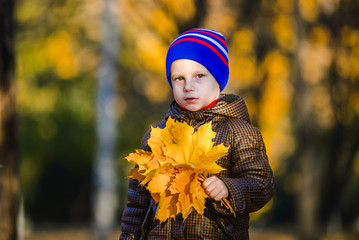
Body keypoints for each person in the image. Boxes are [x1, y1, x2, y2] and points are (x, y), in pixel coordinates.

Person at [120, 28, 274, 240]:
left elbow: (262, 184)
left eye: (199, 76)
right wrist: (129, 236)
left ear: (218, 79)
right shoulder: (157, 137)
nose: (188, 87)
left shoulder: (238, 132)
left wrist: (229, 188)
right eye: (179, 78)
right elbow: (137, 203)